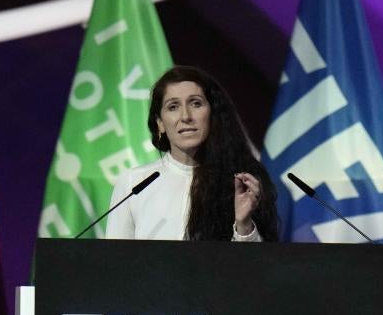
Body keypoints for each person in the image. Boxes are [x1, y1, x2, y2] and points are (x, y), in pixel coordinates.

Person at [105, 65, 278, 242]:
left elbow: (254, 267)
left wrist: (243, 224)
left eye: (196, 103)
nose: (186, 116)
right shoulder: (133, 183)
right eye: (173, 107)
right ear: (160, 124)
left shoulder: (242, 184)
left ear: (212, 114)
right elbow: (114, 262)